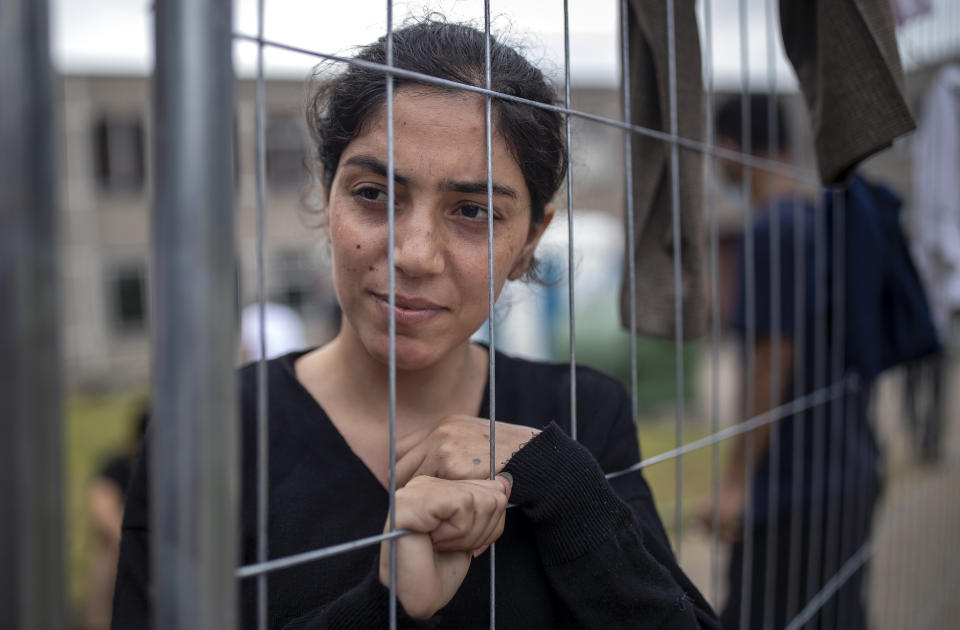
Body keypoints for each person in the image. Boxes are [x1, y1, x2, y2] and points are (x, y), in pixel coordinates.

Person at [113, 19, 718, 629]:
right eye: (373, 194)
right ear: (327, 195)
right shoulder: (208, 434)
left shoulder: (585, 414)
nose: (414, 254)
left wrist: (560, 486)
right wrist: (390, 609)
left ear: (531, 239)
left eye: (472, 211)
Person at [699, 95, 881, 630]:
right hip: (851, 464)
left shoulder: (771, 230)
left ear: (729, 147)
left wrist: (735, 483)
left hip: (794, 489)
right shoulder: (828, 215)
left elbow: (768, 362)